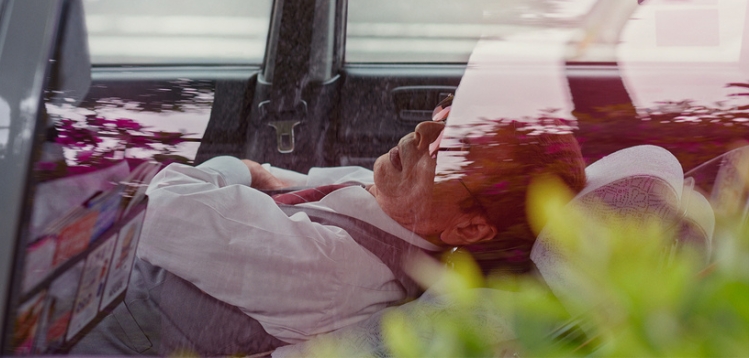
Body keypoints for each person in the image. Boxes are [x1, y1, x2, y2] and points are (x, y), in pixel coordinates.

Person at [130, 111, 586, 354]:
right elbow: (285, 182)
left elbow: (153, 204)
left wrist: (238, 168)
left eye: (452, 147)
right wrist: (257, 175)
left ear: (467, 226)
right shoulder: (390, 207)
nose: (423, 131)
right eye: (446, 114)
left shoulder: (331, 268)